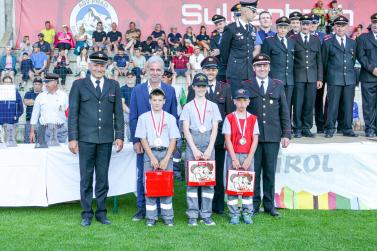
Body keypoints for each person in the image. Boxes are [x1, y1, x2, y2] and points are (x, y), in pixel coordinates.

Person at [68, 52, 124, 227]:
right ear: (90, 66)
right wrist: (72, 138)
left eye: (102, 65)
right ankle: (86, 213)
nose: (99, 69)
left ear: (106, 67)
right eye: (96, 65)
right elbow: (73, 114)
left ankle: (101, 212)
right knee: (86, 178)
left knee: (102, 178)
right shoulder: (79, 85)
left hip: (106, 139)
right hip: (85, 139)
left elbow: (119, 114)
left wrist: (120, 135)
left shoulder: (114, 85)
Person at [241, 54, 291, 217]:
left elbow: (284, 110)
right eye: (259, 66)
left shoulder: (277, 85)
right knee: (254, 172)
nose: (262, 69)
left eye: (265, 66)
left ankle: (269, 205)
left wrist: (286, 134)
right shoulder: (246, 85)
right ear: (253, 68)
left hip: (272, 135)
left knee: (269, 171)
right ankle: (254, 204)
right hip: (252, 138)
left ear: (269, 67)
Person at [129, 56, 178, 221]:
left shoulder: (170, 91)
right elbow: (133, 117)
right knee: (142, 176)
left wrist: (173, 144)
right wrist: (136, 140)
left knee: (164, 175)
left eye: (158, 70)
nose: (155, 73)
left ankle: (162, 210)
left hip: (164, 144)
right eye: (152, 69)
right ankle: (142, 209)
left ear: (163, 72)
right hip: (144, 143)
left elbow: (173, 117)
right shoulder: (137, 90)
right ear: (147, 70)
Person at [187, 56, 233, 215]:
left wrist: (228, 139)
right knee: (198, 172)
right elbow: (189, 114)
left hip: (218, 139)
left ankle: (217, 205)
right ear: (202, 70)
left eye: (213, 69)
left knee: (217, 172)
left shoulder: (225, 88)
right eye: (207, 69)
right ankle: (199, 205)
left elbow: (229, 115)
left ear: (217, 71)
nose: (210, 72)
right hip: (198, 141)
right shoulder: (194, 88)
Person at [181, 73, 222, 226]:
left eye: (203, 86)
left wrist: (210, 148)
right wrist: (194, 150)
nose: (201, 88)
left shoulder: (213, 106)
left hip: (208, 146)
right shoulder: (188, 106)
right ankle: (192, 214)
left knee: (208, 182)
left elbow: (215, 129)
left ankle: (206, 214)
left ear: (207, 87)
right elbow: (186, 130)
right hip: (193, 146)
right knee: (192, 183)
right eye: (198, 86)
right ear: (193, 87)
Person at [135, 88, 180, 227]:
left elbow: (173, 139)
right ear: (150, 101)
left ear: (164, 102)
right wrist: (152, 157)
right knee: (150, 186)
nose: (157, 103)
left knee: (166, 185)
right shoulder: (143, 117)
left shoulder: (170, 118)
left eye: (160, 100)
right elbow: (142, 138)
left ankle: (168, 217)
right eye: (154, 100)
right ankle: (151, 218)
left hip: (166, 152)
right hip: (150, 153)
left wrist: (167, 158)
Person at [222, 88, 259, 224]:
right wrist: (234, 158)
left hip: (248, 156)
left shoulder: (253, 119)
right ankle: (234, 213)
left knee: (247, 184)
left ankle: (247, 212)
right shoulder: (230, 118)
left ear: (248, 102)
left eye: (244, 101)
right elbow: (227, 139)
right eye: (239, 101)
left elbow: (255, 139)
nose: (242, 104)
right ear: (234, 102)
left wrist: (249, 158)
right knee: (233, 183)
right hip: (233, 155)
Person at [322, 16, 358, 138]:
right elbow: (324, 61)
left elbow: (352, 61)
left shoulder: (353, 42)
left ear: (346, 27)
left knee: (348, 105)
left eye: (342, 26)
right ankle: (330, 128)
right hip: (334, 78)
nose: (340, 28)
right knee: (332, 105)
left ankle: (347, 128)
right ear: (334, 27)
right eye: (338, 25)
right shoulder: (328, 42)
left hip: (349, 78)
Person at [291, 14, 323, 138]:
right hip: (298, 77)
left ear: (311, 26)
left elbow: (319, 60)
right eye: (303, 24)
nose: (305, 26)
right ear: (300, 25)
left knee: (309, 103)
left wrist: (320, 78)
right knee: (298, 103)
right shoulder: (293, 38)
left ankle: (307, 127)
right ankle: (297, 128)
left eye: (307, 24)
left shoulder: (316, 40)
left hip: (312, 77)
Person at [220, 0, 262, 95]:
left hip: (249, 73)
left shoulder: (252, 29)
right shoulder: (230, 28)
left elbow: (251, 49)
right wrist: (232, 64)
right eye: (253, 11)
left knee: (248, 103)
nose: (255, 14)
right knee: (235, 103)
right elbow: (224, 51)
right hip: (235, 73)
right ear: (245, 11)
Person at [262, 17, 295, 117]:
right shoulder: (269, 41)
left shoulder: (291, 42)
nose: (283, 30)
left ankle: (287, 128)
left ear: (288, 29)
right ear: (276, 28)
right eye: (280, 27)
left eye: (285, 28)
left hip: (289, 80)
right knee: (274, 104)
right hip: (275, 79)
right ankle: (275, 128)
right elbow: (265, 61)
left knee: (287, 105)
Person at [29, 73, 68, 144]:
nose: (46, 84)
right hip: (44, 130)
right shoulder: (40, 96)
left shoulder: (64, 96)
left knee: (61, 153)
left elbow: (69, 114)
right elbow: (35, 115)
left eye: (48, 82)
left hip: (61, 131)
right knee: (44, 153)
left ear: (56, 82)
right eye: (45, 82)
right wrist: (32, 132)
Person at [356, 13, 377, 138]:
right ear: (371, 23)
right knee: (369, 105)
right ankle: (370, 128)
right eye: (374, 23)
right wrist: (372, 68)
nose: (376, 25)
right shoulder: (363, 38)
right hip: (369, 76)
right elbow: (361, 56)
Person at [23, 78, 42, 143]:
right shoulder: (28, 93)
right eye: (35, 84)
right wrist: (39, 103)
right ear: (33, 85)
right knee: (28, 140)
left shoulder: (44, 94)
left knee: (41, 141)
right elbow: (26, 102)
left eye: (39, 84)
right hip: (29, 120)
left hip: (41, 121)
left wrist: (32, 101)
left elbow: (45, 104)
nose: (37, 86)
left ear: (41, 85)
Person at [210, 14, 227, 82]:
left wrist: (220, 50)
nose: (218, 26)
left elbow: (234, 50)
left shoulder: (232, 36)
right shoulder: (213, 39)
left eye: (220, 24)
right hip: (220, 70)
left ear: (225, 23)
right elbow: (215, 53)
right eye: (216, 25)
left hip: (232, 69)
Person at [121, 72, 137, 141]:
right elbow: (122, 103)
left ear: (135, 78)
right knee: (129, 120)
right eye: (128, 77)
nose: (130, 78)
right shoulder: (122, 89)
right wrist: (131, 112)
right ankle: (130, 140)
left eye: (131, 77)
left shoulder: (139, 87)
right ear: (126, 79)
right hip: (127, 111)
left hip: (138, 111)